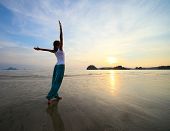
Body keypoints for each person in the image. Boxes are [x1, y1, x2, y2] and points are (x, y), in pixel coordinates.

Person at [34, 21, 65, 104]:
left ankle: (56, 95)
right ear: (58, 45)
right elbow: (62, 37)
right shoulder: (60, 49)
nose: (61, 43)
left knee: (54, 81)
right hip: (61, 67)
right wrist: (61, 28)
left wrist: (39, 49)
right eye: (60, 43)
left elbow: (46, 50)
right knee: (58, 82)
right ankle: (49, 97)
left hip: (56, 66)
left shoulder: (54, 50)